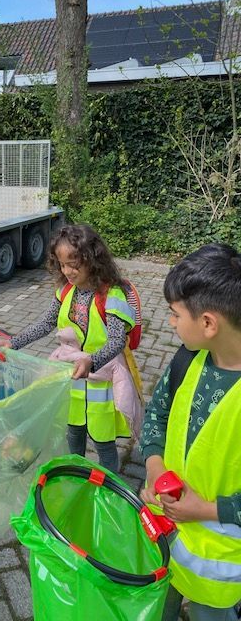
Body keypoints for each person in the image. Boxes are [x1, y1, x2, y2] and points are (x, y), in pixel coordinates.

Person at [139, 243, 241, 621]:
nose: (169, 323)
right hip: (166, 541)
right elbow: (158, 413)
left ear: (209, 323)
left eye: (174, 314)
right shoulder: (186, 360)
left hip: (220, 572)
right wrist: (153, 465)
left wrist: (207, 510)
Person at [0, 224, 138, 473]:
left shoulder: (112, 294)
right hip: (71, 379)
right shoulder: (65, 290)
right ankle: (77, 476)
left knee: (104, 443)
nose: (67, 271)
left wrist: (91, 361)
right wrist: (14, 342)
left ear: (92, 259)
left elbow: (117, 341)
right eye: (62, 264)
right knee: (74, 434)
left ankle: (112, 486)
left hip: (99, 383)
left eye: (74, 264)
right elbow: (47, 323)